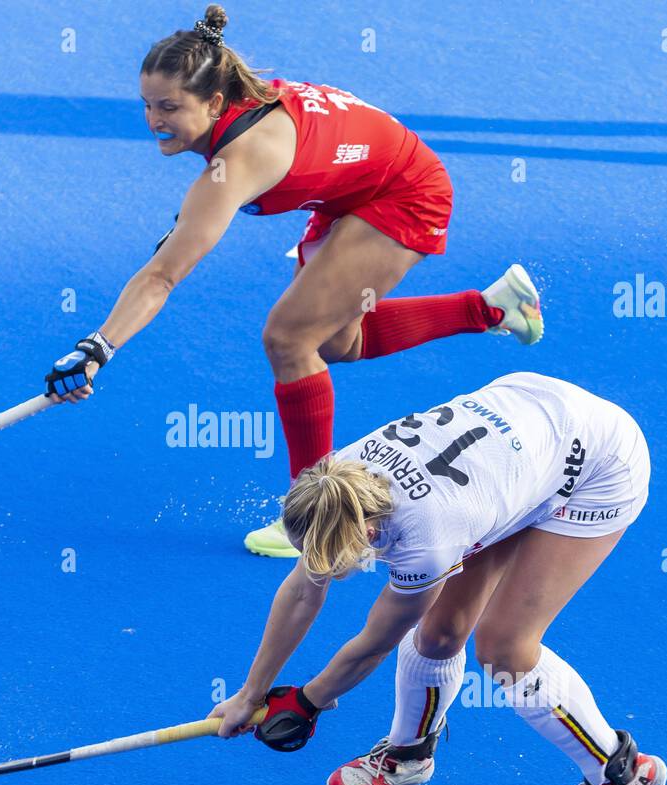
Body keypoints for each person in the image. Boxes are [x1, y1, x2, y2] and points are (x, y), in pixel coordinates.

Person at [43, 5, 543, 557]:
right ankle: (494, 309)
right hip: (354, 191)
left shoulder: (239, 161)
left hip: (404, 192)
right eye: (147, 104)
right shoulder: (231, 100)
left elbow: (163, 276)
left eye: (169, 107)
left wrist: (97, 348)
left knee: (289, 340)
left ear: (213, 103)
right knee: (335, 342)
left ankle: (316, 517)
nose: (154, 120)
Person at [207, 371, 667, 785]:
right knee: (441, 634)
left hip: (596, 462)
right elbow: (303, 592)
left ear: (366, 534)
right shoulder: (334, 483)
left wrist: (308, 701)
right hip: (521, 436)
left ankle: (621, 773)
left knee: (505, 648)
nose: (320, 567)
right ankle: (409, 754)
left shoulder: (426, 537)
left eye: (332, 557)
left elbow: (375, 643)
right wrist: (250, 693)